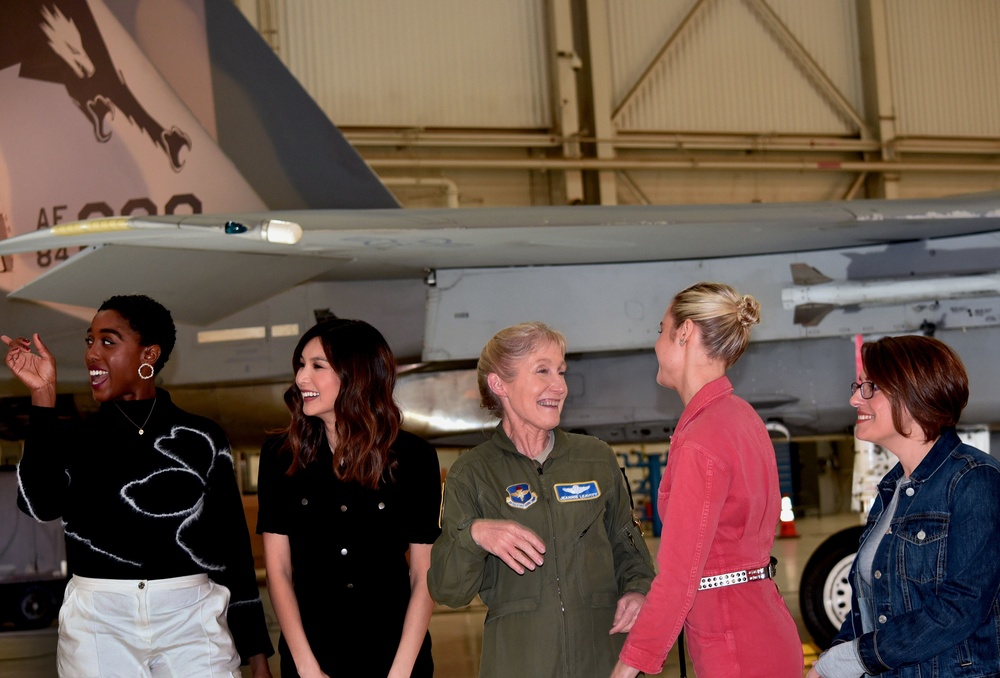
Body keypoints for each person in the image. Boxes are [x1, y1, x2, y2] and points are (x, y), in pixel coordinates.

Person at [2, 295, 273, 677]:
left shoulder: (202, 437)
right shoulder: (75, 439)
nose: (92, 353)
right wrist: (42, 397)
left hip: (192, 618)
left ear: (149, 355)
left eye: (108, 342)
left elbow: (232, 548)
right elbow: (38, 504)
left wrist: (257, 653)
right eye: (89, 341)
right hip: (98, 622)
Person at [428, 321, 655, 678]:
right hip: (518, 663)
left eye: (561, 371)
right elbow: (447, 590)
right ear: (499, 384)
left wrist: (639, 592)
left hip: (603, 661)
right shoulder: (471, 473)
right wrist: (474, 535)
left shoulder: (596, 458)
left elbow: (632, 555)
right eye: (543, 371)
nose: (560, 386)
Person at [613, 282, 802, 678]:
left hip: (734, 646)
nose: (656, 345)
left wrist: (625, 670)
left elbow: (679, 576)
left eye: (660, 329)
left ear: (684, 334)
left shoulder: (702, 438)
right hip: (762, 625)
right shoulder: (741, 416)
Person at [256, 319, 441, 678]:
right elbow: (277, 571)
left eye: (316, 366)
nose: (300, 378)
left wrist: (400, 672)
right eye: (300, 365)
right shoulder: (280, 456)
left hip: (397, 656)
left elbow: (423, 575)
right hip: (312, 657)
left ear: (355, 374)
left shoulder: (414, 457)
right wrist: (308, 669)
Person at [808, 335, 1000, 678]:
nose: (855, 398)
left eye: (871, 387)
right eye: (859, 385)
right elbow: (865, 611)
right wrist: (833, 660)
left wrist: (859, 657)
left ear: (915, 394)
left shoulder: (974, 480)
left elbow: (962, 607)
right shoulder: (890, 493)